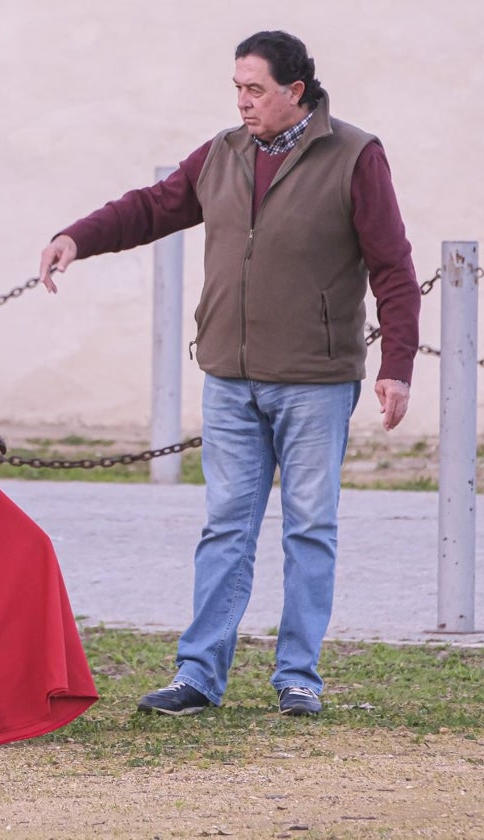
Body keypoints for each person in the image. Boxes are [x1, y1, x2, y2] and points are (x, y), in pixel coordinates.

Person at [38, 31, 420, 717]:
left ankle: (298, 677)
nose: (242, 102)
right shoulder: (222, 153)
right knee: (225, 529)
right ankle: (198, 675)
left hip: (316, 382)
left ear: (295, 92)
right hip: (229, 381)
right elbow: (152, 207)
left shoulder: (356, 156)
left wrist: (397, 365)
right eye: (236, 89)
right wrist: (78, 236)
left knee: (309, 530)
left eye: (255, 90)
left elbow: (392, 265)